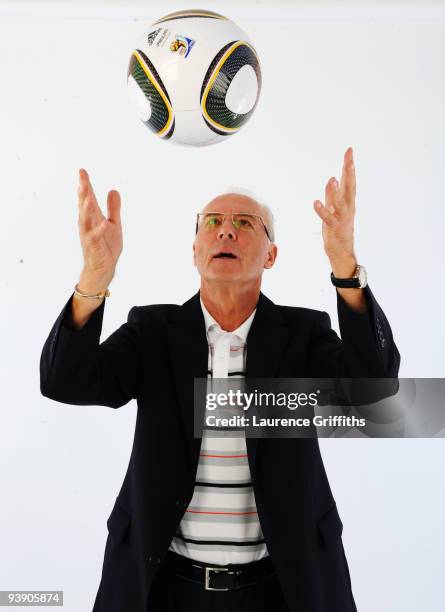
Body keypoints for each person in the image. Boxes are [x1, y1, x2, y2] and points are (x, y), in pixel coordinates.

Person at [40, 147, 400, 612]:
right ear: (194, 251)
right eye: (211, 222)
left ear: (271, 255)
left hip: (283, 586)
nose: (226, 228)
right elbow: (63, 381)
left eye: (245, 222)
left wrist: (346, 267)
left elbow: (374, 391)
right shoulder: (152, 332)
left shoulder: (304, 335)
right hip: (163, 585)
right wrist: (93, 278)